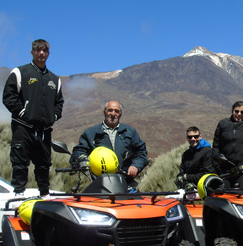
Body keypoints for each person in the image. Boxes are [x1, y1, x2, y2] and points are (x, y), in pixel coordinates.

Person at [3, 39, 64, 198]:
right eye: (38, 50)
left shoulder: (54, 79)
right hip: (23, 128)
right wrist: (22, 112)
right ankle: (18, 195)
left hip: (44, 130)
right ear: (32, 52)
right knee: (20, 163)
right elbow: (8, 97)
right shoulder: (19, 72)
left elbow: (59, 102)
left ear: (48, 53)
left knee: (44, 164)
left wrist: (54, 116)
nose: (41, 53)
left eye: (44, 50)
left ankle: (44, 194)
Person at [70, 100, 148, 188]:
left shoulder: (130, 132)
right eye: (110, 110)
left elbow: (141, 153)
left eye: (116, 111)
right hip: (98, 184)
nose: (113, 114)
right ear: (104, 112)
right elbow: (79, 151)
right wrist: (83, 159)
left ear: (120, 114)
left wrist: (135, 166)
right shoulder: (91, 133)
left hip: (126, 184)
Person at [212, 101, 243, 188]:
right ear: (232, 111)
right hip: (226, 170)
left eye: (242, 112)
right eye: (236, 111)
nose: (239, 114)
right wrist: (216, 164)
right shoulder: (223, 124)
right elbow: (216, 145)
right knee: (224, 196)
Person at [175, 126, 215, 191]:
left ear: (200, 137)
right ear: (187, 138)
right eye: (190, 137)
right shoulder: (186, 154)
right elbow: (181, 171)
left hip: (204, 188)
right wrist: (184, 182)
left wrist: (186, 177)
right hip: (188, 188)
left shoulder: (207, 151)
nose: (193, 139)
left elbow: (207, 173)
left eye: (195, 136)